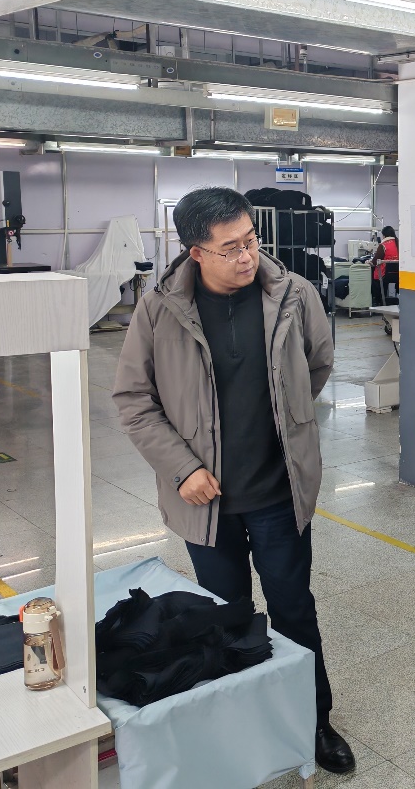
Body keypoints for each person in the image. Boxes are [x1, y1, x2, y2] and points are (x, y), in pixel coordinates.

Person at [112, 187, 355, 775]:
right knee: (227, 619)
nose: (247, 257)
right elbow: (134, 400)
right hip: (205, 502)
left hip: (278, 495)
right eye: (230, 248)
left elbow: (318, 364)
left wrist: (287, 421)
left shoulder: (293, 294)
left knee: (294, 612)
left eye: (251, 241)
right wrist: (184, 468)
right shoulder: (159, 310)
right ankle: (246, 729)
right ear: (196, 252)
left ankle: (313, 721)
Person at [372, 225, 399, 304]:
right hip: (398, 274)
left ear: (384, 235)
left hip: (385, 275)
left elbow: (375, 261)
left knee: (374, 275)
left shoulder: (383, 245)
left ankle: (378, 300)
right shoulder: (399, 243)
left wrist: (369, 261)